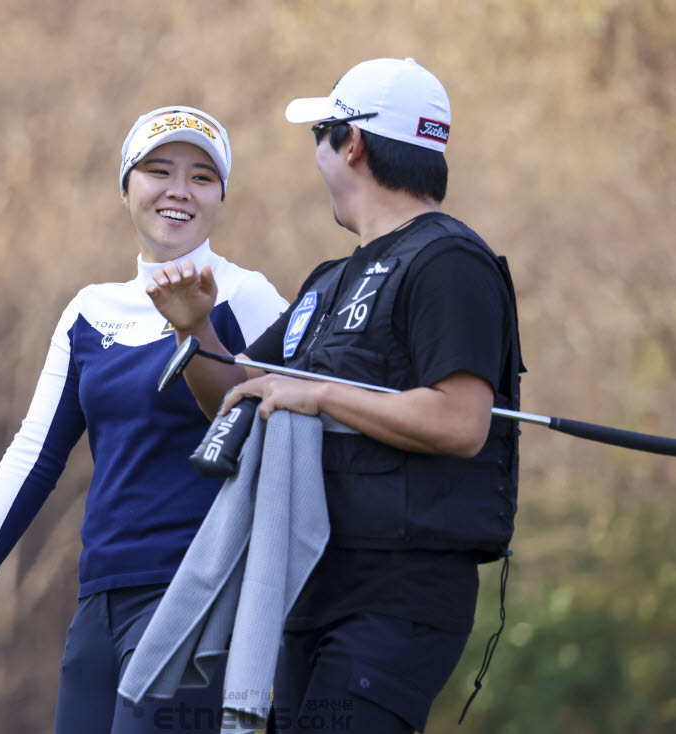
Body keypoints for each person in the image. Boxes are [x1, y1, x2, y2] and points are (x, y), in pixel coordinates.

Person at [146, 59, 524, 733]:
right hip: (307, 585)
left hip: (399, 594)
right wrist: (194, 327)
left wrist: (318, 395)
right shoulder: (327, 281)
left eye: (321, 133)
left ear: (351, 144)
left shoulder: (450, 262)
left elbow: (461, 421)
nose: (315, 153)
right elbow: (240, 396)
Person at [0, 105, 288, 734]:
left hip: (199, 591)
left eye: (203, 177)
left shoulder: (246, 297)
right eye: (158, 170)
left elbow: (294, 426)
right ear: (126, 187)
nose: (179, 190)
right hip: (100, 594)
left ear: (221, 199)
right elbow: (36, 452)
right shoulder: (90, 311)